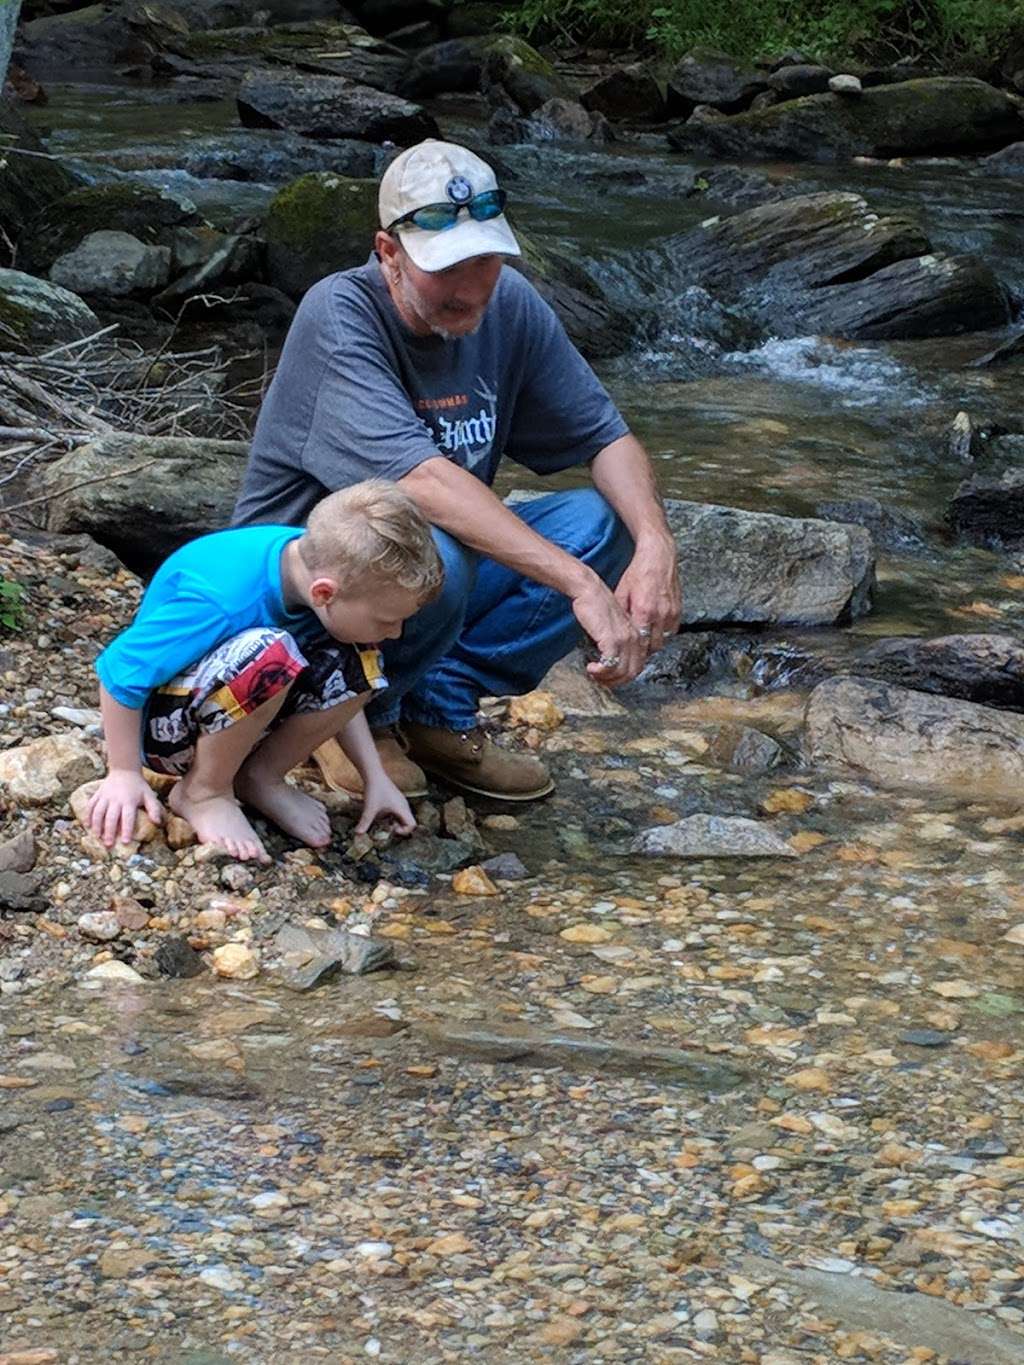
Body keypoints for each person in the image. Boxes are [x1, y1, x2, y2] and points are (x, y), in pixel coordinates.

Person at [233, 137, 681, 802]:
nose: (473, 287)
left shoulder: (510, 305)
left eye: (487, 261)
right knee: (433, 546)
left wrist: (654, 543)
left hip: (405, 574)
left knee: (602, 521)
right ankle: (339, 714)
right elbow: (424, 485)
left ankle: (434, 711)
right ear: (389, 253)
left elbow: (606, 436)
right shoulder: (339, 314)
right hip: (304, 603)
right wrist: (581, 584)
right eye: (447, 268)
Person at [86, 481, 444, 863]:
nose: (397, 632)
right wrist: (124, 772)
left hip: (239, 707)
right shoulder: (225, 599)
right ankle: (204, 791)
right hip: (164, 728)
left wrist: (375, 776)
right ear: (325, 594)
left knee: (363, 661)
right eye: (388, 620)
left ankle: (260, 778)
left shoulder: (321, 563)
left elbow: (346, 684)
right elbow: (120, 671)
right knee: (272, 654)